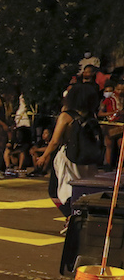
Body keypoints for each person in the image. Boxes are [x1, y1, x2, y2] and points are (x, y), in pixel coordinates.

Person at [37, 84, 103, 227]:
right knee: (84, 189)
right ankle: (82, 218)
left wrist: (44, 156)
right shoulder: (91, 115)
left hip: (69, 157)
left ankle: (71, 217)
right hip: (87, 159)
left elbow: (55, 141)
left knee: (56, 191)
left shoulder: (66, 116)